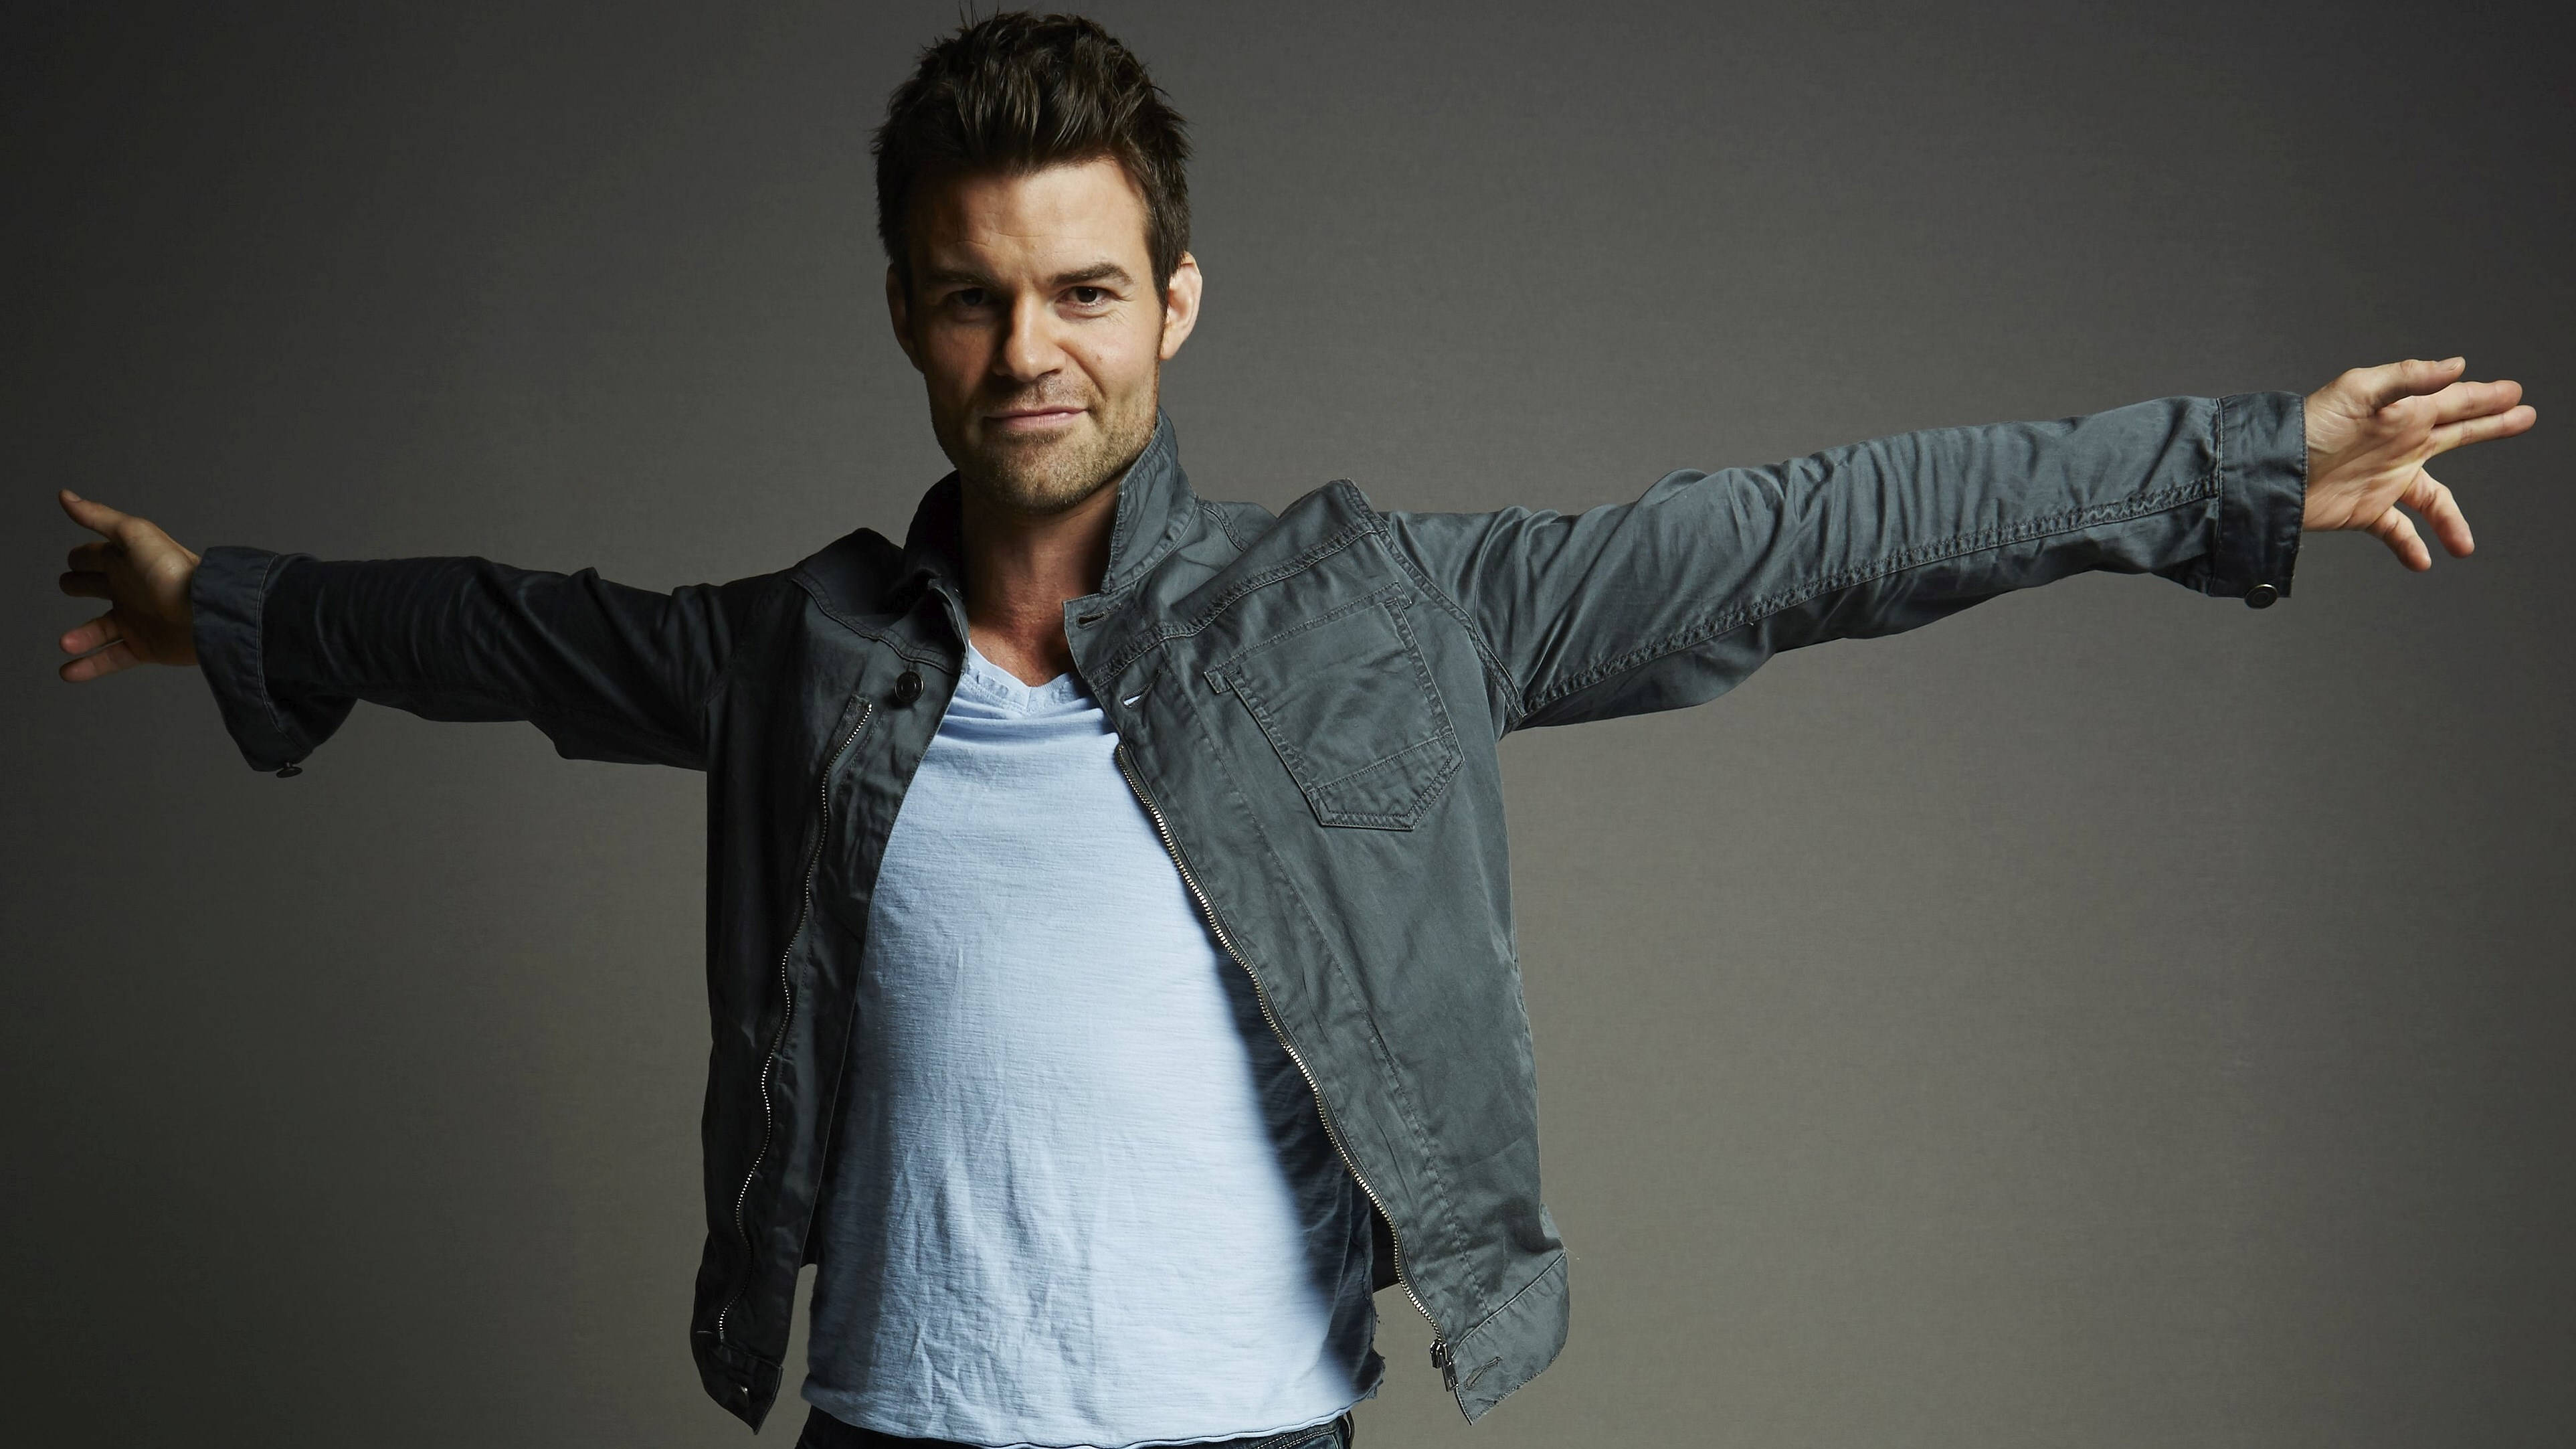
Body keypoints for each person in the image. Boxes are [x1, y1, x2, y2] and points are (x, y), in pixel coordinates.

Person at [49, 11, 2535, 1449]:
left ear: (1174, 302)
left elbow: (1801, 534)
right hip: (898, 1437)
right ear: (908, 316)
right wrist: (224, 606)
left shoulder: (1382, 612)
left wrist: (2231, 461)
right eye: (971, 297)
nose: (1028, 349)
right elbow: (499, 631)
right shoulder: (796, 654)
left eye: (1081, 290)